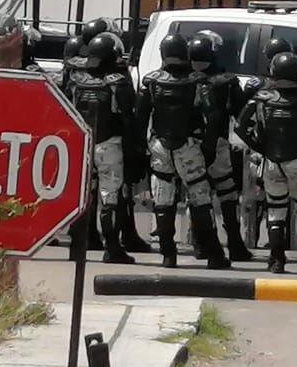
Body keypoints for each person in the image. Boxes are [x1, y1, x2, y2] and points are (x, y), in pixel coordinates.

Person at [234, 39, 297, 275]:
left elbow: (240, 127)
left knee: (276, 211)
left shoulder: (261, 99)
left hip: (271, 162)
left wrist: (260, 147)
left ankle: (276, 260)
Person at [137, 33, 229, 269]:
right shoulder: (198, 81)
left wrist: (140, 148)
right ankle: (213, 254)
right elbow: (214, 116)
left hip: (160, 146)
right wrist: (208, 147)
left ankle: (168, 254)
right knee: (200, 200)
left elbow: (139, 118)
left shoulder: (151, 81)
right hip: (189, 146)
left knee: (163, 201)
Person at [64, 32, 142, 265]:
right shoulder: (117, 82)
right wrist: (134, 152)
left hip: (82, 144)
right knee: (110, 197)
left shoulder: (76, 80)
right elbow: (129, 119)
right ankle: (112, 247)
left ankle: (77, 248)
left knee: (82, 197)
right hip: (109, 145)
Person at [187, 31, 253, 261]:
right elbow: (241, 112)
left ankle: (199, 243)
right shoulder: (226, 81)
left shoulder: (182, 79)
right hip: (218, 144)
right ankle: (235, 244)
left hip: (189, 145)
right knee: (226, 192)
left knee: (196, 193)